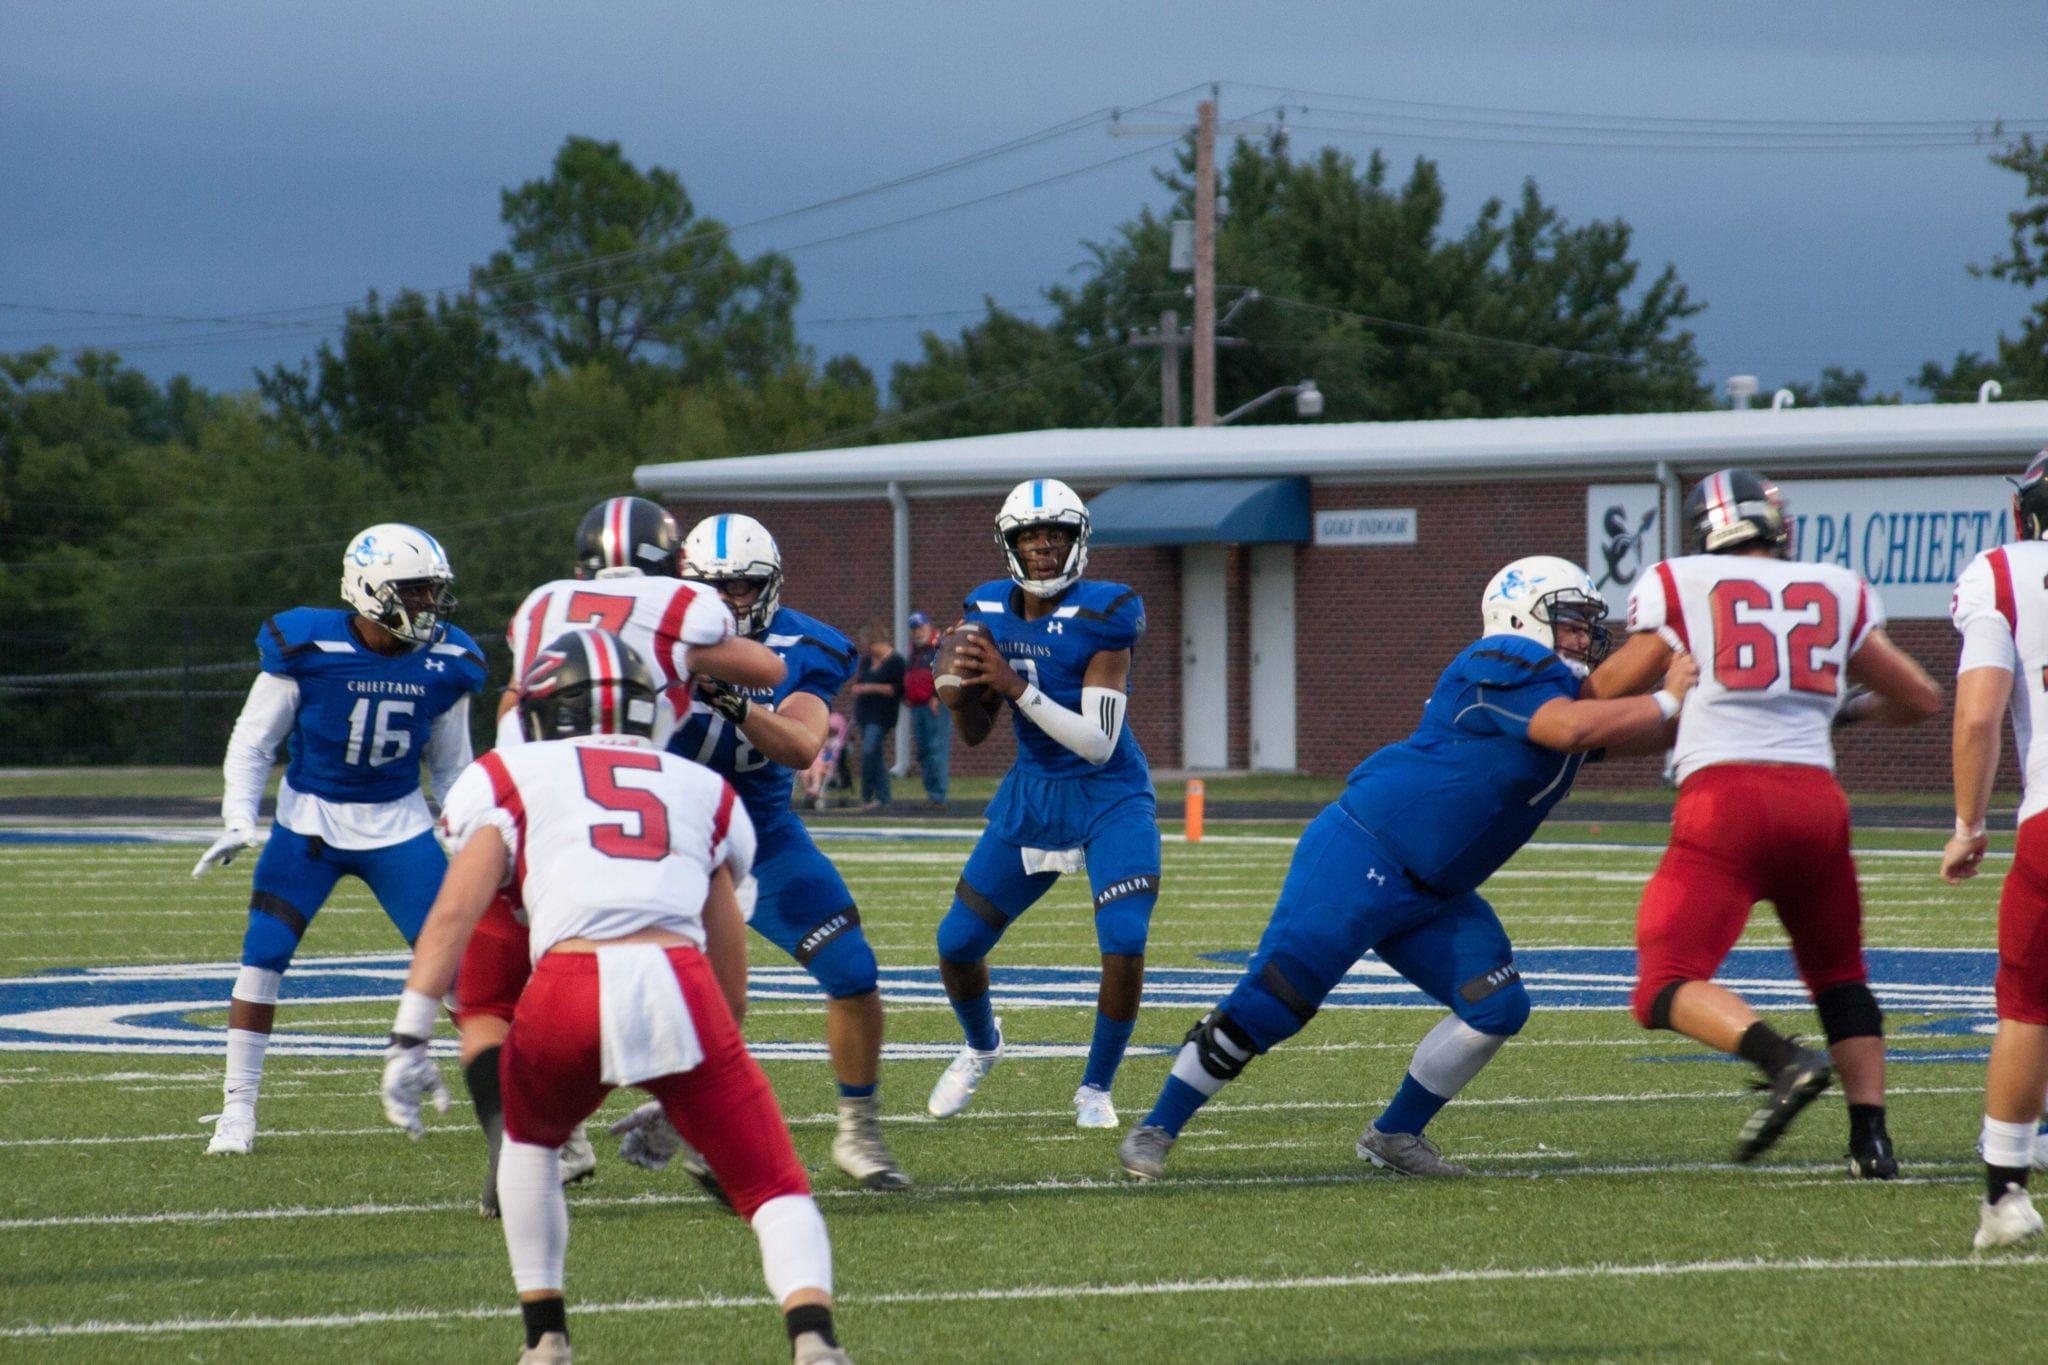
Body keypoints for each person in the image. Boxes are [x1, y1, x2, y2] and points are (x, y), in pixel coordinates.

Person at [1120, 556, 1693, 1179]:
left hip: (1437, 889)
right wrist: (1667, 692)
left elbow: (1620, 718)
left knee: (1496, 1007)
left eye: (1588, 625)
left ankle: (1394, 1135)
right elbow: (1577, 725)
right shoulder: (1502, 659)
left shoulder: (1557, 692)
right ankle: (1158, 1126)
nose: (1583, 638)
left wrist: (1708, 686)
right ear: (1519, 616)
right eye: (1571, 622)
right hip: (1366, 850)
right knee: (1278, 1000)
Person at [378, 628, 850, 1365]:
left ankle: (546, 1338)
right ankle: (814, 1338)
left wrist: (410, 1031)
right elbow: (728, 960)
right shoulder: (698, 785)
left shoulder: (508, 774)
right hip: (678, 979)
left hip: (568, 980)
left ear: (542, 708)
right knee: (773, 1181)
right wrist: (684, 1089)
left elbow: (454, 913)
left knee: (530, 1146)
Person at [1590, 468, 1941, 1172]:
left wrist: (1652, 698)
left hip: (1725, 802)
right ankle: (1871, 1139)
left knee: (1663, 978)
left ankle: (1783, 1061)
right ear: (1773, 526)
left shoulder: (1682, 582)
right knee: (1840, 973)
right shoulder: (1834, 586)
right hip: (1817, 803)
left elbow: (1601, 692)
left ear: (1708, 530)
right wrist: (1847, 708)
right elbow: (1923, 697)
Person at [459, 496, 785, 1214]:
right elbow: (765, 669)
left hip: (519, 805)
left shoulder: (541, 606)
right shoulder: (680, 607)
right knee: (698, 974)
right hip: (631, 819)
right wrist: (692, 665)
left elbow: (513, 701)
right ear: (671, 562)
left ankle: (517, 1136)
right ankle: (711, 1134)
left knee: (487, 1001)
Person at [193, 523, 485, 1156]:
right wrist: (239, 816)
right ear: (371, 590)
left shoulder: (448, 661)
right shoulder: (307, 644)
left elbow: (454, 769)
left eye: (433, 592)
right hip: (311, 823)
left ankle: (519, 1116)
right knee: (262, 956)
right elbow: (254, 740)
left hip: (399, 826)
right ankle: (236, 1112)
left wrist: (469, 836)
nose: (428, 606)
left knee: (462, 974)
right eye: (415, 592)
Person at [658, 512, 908, 1191]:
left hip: (760, 833)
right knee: (600, 985)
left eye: (742, 585)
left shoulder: (808, 644)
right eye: (713, 586)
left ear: (768, 586)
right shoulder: (647, 636)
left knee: (852, 970)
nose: (727, 600)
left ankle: (858, 1130)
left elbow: (802, 747)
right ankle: (550, 1136)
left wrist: (732, 702)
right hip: (661, 835)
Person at [927, 478, 1156, 1129]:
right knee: (957, 943)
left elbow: (1097, 742)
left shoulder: (1109, 612)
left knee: (1124, 939)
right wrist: (964, 690)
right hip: (1033, 793)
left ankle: (1096, 1087)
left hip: (1109, 793)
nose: (1045, 546)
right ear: (1012, 544)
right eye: (1031, 535)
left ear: (1078, 540)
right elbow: (975, 732)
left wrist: (1009, 681)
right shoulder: (987, 608)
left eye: (1056, 533)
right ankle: (981, 1044)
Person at [1945, 451, 2048, 1247]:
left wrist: (1969, 823)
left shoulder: (2005, 572)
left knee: (2027, 1004)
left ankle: (2006, 1192)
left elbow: (1979, 714)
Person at [848, 624, 905, 810]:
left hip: (882, 715)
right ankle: (882, 796)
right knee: (875, 754)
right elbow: (860, 680)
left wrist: (868, 688)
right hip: (865, 713)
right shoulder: (866, 661)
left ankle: (868, 793)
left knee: (869, 750)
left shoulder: (896, 662)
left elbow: (896, 689)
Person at [904, 611, 950, 806]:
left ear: (928, 626)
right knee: (923, 751)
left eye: (920, 627)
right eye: (914, 629)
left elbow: (949, 672)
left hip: (934, 706)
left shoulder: (939, 646)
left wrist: (937, 696)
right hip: (917, 707)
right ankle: (931, 793)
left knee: (935, 749)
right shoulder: (914, 651)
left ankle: (938, 795)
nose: (917, 632)